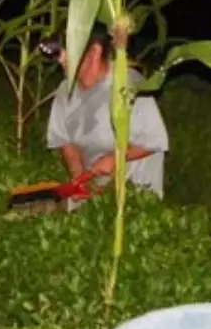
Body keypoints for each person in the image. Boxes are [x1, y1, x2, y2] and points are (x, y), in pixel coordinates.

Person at [44, 26, 170, 201]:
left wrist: (115, 158)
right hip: (96, 186)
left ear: (95, 51)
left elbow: (155, 141)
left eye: (68, 52)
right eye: (59, 54)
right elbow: (65, 142)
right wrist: (79, 179)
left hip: (135, 189)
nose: (61, 60)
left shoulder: (130, 85)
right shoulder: (65, 91)